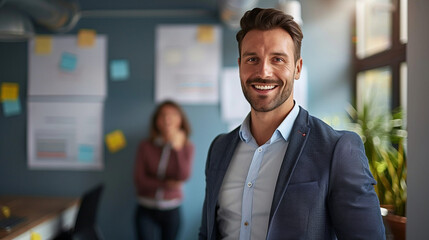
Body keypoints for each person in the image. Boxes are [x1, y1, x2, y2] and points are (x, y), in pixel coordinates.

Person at [199, 8, 385, 240]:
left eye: (277, 59)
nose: (263, 71)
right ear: (240, 66)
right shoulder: (219, 148)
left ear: (297, 68)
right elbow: (207, 233)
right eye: (252, 59)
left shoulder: (338, 149)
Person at [134, 100, 194, 240]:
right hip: (145, 208)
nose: (168, 119)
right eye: (163, 115)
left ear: (180, 120)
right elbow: (139, 181)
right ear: (156, 121)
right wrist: (167, 184)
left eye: (173, 115)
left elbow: (183, 176)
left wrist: (177, 149)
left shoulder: (187, 147)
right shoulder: (145, 146)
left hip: (172, 209)